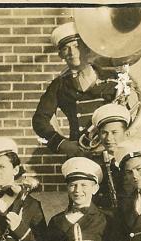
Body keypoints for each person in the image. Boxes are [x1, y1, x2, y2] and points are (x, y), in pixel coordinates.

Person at [32, 22, 118, 158]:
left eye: (77, 46)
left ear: (86, 48)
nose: (72, 53)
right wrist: (62, 143)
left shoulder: (112, 78)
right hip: (80, 152)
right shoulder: (59, 85)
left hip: (113, 151)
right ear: (61, 54)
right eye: (66, 48)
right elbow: (39, 120)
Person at [89, 103, 131, 210]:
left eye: (114, 132)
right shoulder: (93, 165)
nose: (108, 138)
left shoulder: (136, 160)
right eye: (104, 133)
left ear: (126, 134)